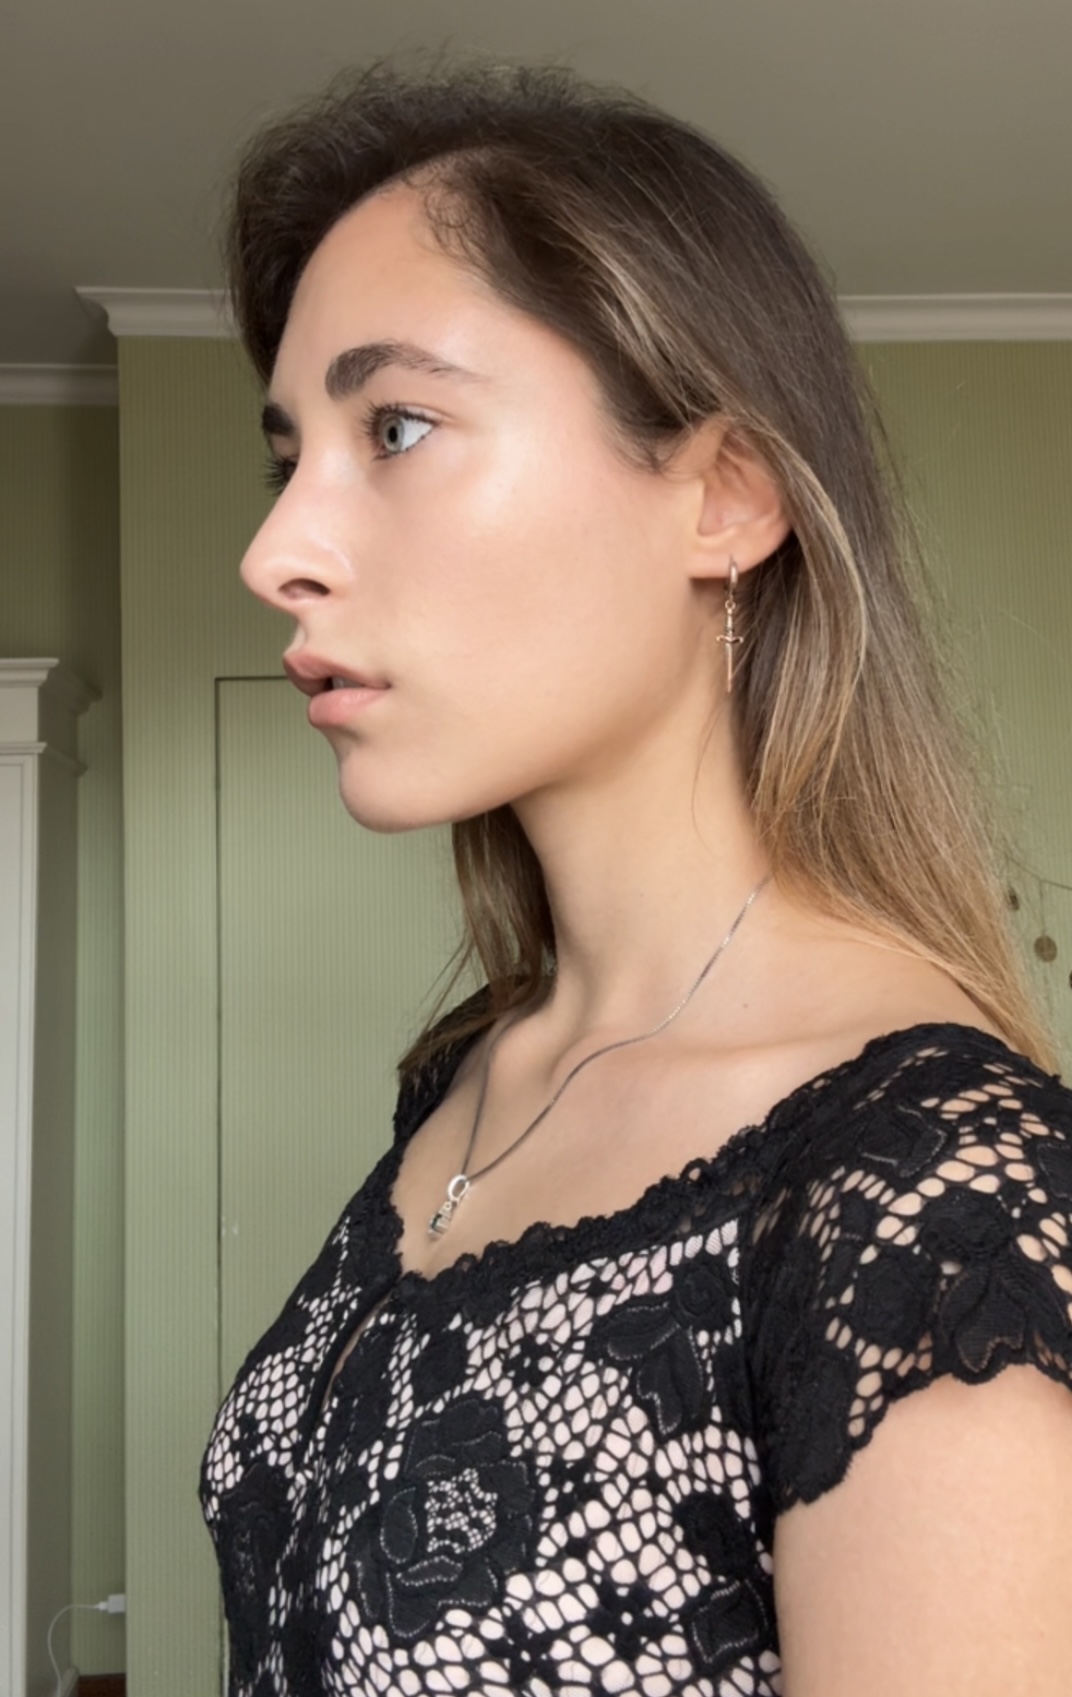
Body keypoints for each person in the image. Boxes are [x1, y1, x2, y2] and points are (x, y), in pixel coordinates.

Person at [200, 58, 1072, 1697]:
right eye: (289, 455)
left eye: (396, 427)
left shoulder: (932, 1196)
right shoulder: (472, 1074)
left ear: (726, 496)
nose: (276, 552)